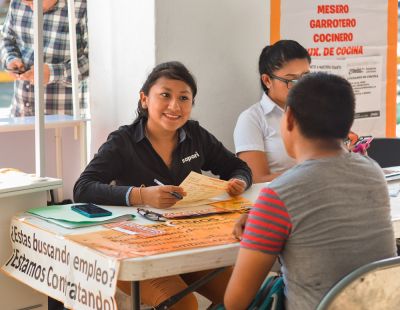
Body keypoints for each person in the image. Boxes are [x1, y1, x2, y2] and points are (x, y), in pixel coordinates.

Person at [74, 61, 252, 309]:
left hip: (190, 245)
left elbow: (238, 167)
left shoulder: (196, 136)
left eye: (184, 98)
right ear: (145, 99)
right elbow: (83, 188)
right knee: (183, 305)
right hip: (137, 251)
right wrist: (141, 195)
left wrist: (239, 182)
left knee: (244, 296)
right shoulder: (123, 141)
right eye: (165, 95)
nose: (174, 106)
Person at [224, 72, 397, 310]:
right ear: (348, 125)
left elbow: (236, 302)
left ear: (290, 119)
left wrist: (263, 221)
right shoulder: (372, 172)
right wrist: (263, 219)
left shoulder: (278, 196)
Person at [234, 40, 310, 182]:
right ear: (267, 80)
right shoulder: (252, 119)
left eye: (306, 77)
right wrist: (311, 175)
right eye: (291, 81)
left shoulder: (316, 110)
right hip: (276, 200)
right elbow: (256, 178)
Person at [0, 0, 89, 117]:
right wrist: (10, 59)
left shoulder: (83, 7)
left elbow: (92, 61)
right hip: (19, 112)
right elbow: (6, 39)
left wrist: (53, 73)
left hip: (65, 119)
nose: (26, 4)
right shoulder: (17, 2)